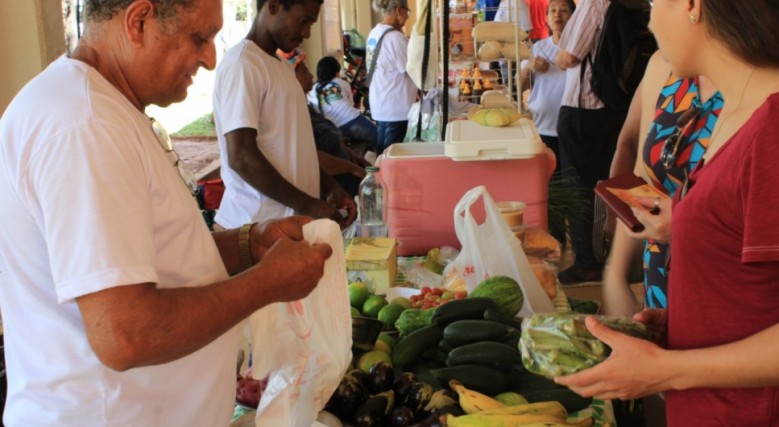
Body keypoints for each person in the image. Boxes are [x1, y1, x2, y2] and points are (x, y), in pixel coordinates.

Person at [0, 0, 334, 425]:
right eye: (200, 38)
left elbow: (142, 259)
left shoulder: (102, 109)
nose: (211, 59)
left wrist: (250, 243)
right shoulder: (86, 126)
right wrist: (267, 284)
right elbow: (125, 333)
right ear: (139, 22)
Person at [555, 1, 779, 425]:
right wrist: (685, 323)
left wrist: (667, 370)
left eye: (655, 3)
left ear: (693, 5)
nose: (650, 19)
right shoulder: (739, 113)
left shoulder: (770, 128)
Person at [212, 0, 356, 230]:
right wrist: (307, 204)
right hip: (256, 229)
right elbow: (241, 156)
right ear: (273, 6)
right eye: (304, 21)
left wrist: (331, 188)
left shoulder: (281, 67)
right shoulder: (243, 64)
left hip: (287, 227)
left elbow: (297, 152)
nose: (307, 33)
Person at [602, 51, 722, 316]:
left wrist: (682, 226)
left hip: (721, 287)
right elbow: (643, 179)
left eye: (659, 6)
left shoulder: (758, 86)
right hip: (659, 277)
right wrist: (616, 273)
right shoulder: (663, 66)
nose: (652, 17)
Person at [553, 0, 631, 283]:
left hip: (585, 109)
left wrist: (559, 53)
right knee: (593, 184)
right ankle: (595, 256)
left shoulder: (593, 4)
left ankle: (590, 260)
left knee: (583, 187)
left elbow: (569, 57)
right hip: (607, 107)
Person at [296, 58, 371, 197]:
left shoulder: (306, 106)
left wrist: (353, 156)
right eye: (305, 72)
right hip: (335, 182)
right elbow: (312, 157)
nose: (311, 76)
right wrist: (353, 169)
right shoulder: (294, 114)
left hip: (347, 165)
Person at [519, 0, 576, 175]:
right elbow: (520, 87)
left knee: (570, 183)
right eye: (553, 11)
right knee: (546, 182)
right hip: (543, 127)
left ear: (574, 17)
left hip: (572, 129)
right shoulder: (538, 48)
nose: (557, 15)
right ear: (546, 18)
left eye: (564, 10)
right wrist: (528, 66)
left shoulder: (578, 48)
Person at [366, 0, 417, 155]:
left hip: (380, 104)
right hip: (396, 107)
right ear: (398, 10)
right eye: (407, 12)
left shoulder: (374, 33)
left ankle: (380, 179)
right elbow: (411, 70)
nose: (407, 17)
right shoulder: (395, 38)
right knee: (393, 157)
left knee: (382, 155)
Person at [308, 55, 378, 152]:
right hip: (352, 121)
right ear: (336, 72)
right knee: (379, 138)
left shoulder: (312, 89)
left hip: (331, 129)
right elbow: (351, 105)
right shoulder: (341, 82)